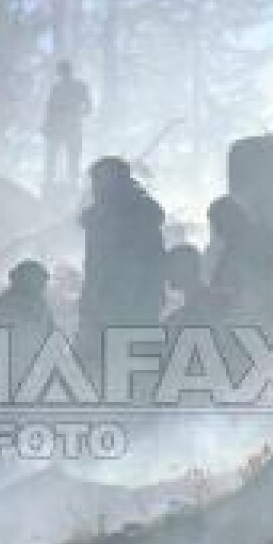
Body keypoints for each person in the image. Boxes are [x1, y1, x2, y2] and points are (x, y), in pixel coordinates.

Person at [76, 157, 168, 367]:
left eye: (102, 182)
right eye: (95, 182)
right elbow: (94, 268)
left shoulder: (141, 217)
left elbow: (149, 266)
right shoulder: (100, 218)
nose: (96, 189)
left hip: (133, 310)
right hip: (102, 309)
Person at [0, 260, 59, 396]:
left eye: (40, 282)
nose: (40, 286)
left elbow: (52, 343)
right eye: (32, 280)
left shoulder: (43, 310)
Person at [203, 196, 273, 329]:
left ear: (232, 218)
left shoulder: (260, 241)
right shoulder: (228, 249)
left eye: (219, 223)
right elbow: (219, 284)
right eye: (215, 225)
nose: (217, 231)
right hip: (241, 321)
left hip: (263, 320)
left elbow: (269, 283)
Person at [42, 60, 94, 192]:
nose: (63, 74)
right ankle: (50, 184)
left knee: (72, 158)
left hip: (71, 128)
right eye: (61, 72)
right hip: (60, 128)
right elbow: (50, 108)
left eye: (63, 71)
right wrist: (47, 125)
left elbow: (88, 108)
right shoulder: (57, 88)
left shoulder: (79, 87)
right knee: (54, 157)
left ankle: (71, 186)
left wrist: (74, 114)